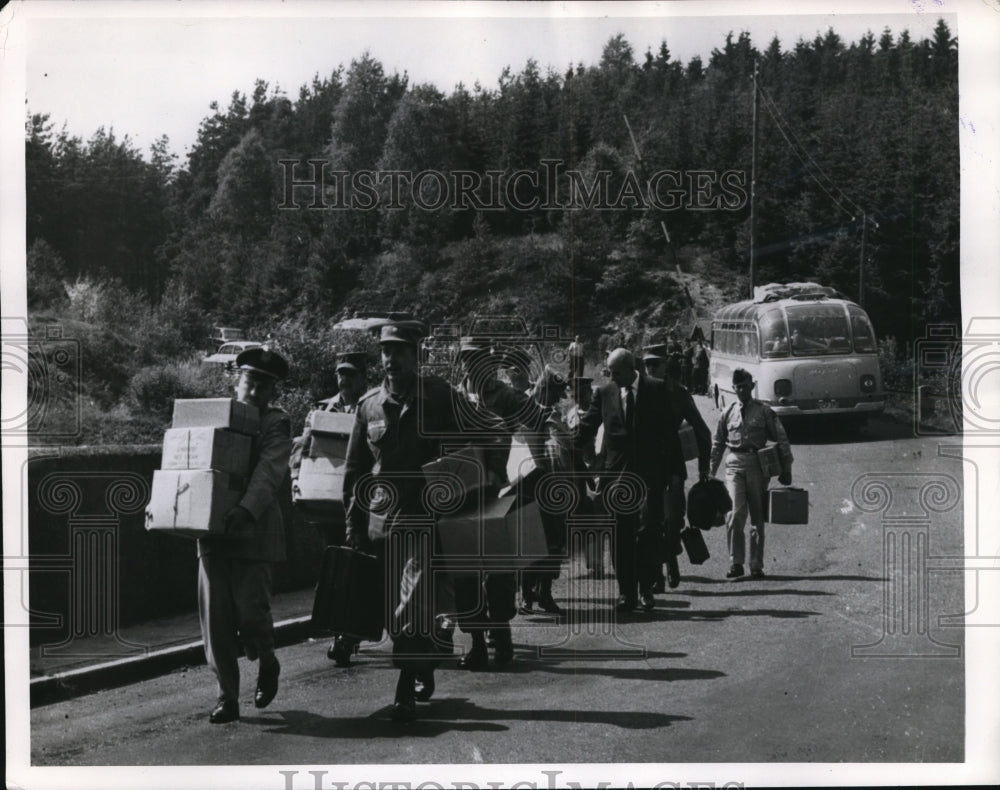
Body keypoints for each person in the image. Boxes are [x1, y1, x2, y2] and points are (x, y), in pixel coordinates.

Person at [342, 323, 462, 722]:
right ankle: (422, 662)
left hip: (425, 518)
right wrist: (352, 526)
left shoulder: (441, 397)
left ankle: (405, 688)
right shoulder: (368, 407)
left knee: (410, 605)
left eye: (399, 351)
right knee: (395, 612)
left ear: (415, 355)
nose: (391, 359)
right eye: (385, 351)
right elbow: (355, 471)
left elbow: (469, 445)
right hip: (381, 522)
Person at [198, 347, 292, 724]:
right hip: (212, 529)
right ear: (237, 381)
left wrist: (245, 509)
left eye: (263, 386)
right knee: (216, 617)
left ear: (273, 392)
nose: (254, 392)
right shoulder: (215, 416)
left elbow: (269, 472)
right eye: (250, 382)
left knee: (252, 615)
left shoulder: (275, 423)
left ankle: (268, 662)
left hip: (254, 530)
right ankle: (227, 696)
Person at [573, 349, 683, 613]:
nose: (612, 377)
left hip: (649, 476)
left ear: (629, 368)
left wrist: (676, 474)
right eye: (609, 373)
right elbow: (587, 426)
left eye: (615, 373)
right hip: (616, 477)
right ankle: (626, 593)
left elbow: (670, 433)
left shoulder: (656, 389)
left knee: (648, 532)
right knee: (621, 536)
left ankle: (646, 588)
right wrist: (565, 445)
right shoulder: (605, 393)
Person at [289, 351, 368, 667]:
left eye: (350, 374)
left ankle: (347, 636)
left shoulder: (372, 408)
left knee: (356, 569)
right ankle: (344, 633)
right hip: (328, 506)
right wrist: (296, 479)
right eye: (340, 374)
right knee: (336, 568)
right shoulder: (322, 410)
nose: (344, 379)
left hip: (360, 505)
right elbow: (302, 448)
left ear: (363, 378)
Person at [709, 368, 793, 580]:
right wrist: (710, 473)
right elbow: (718, 443)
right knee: (734, 513)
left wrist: (786, 468)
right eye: (738, 387)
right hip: (734, 463)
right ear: (733, 388)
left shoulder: (764, 411)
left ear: (752, 386)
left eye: (745, 386)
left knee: (757, 516)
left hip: (757, 464)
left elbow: (781, 439)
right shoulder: (727, 412)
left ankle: (756, 564)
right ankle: (735, 563)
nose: (742, 390)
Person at [519, 365, 572, 615]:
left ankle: (544, 593)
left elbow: (558, 440)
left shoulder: (549, 412)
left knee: (552, 540)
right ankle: (527, 595)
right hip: (527, 481)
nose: (558, 399)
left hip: (547, 483)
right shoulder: (525, 406)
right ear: (545, 388)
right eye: (555, 393)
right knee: (530, 539)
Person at [659, 355, 712, 589]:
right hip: (645, 467)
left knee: (672, 520)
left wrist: (703, 469)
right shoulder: (640, 391)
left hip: (672, 467)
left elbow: (703, 432)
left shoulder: (680, 395)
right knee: (649, 521)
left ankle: (671, 558)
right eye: (648, 366)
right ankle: (655, 572)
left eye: (656, 366)